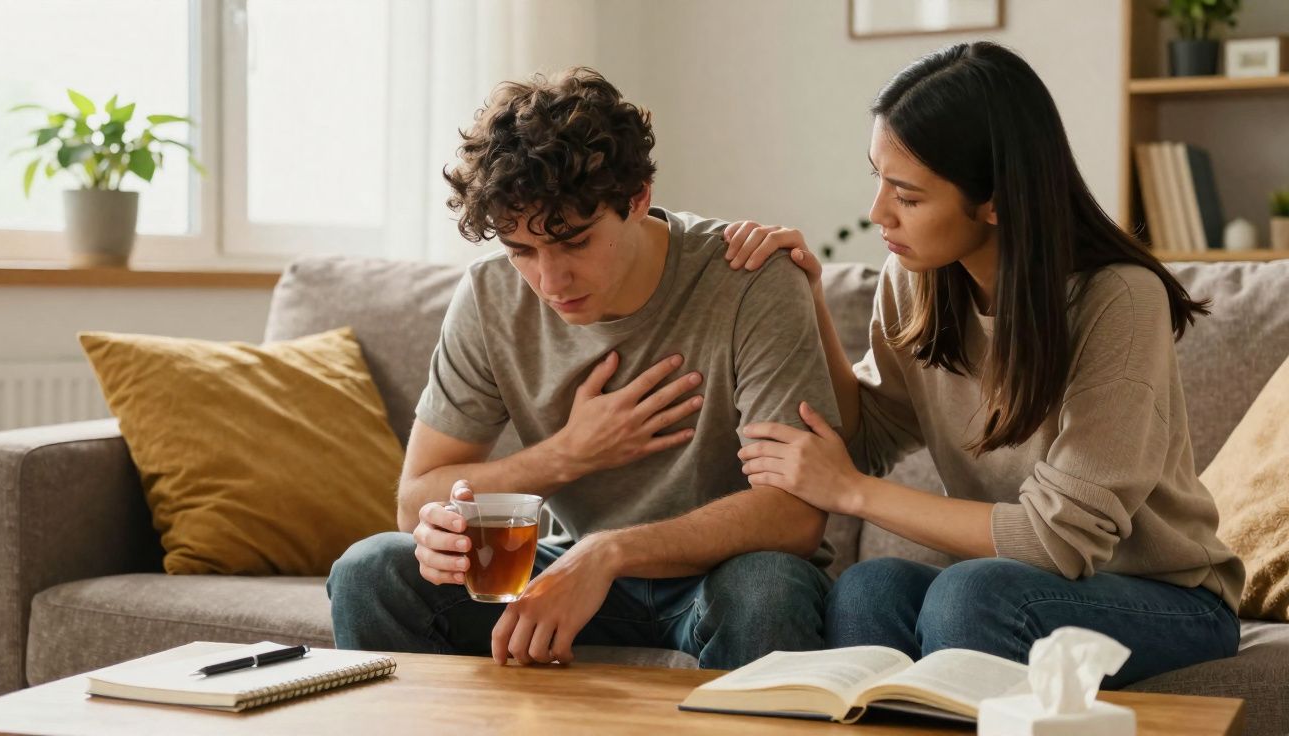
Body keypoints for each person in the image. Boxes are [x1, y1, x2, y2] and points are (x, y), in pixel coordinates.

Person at [720, 41, 1244, 687]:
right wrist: (809, 302)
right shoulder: (916, 278)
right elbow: (867, 439)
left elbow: (1060, 543)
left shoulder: (1116, 298)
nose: (877, 212)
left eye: (907, 196)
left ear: (996, 200)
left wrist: (852, 493)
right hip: (1018, 585)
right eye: (877, 178)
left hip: (1166, 598)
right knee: (869, 587)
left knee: (973, 595)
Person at [326, 67, 841, 670]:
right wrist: (568, 454)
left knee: (767, 590)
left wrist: (607, 553)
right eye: (520, 249)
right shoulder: (489, 297)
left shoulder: (749, 278)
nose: (550, 281)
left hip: (720, 573)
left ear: (638, 197)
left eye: (573, 242)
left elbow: (796, 514)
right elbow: (415, 502)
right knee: (371, 570)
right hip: (564, 566)